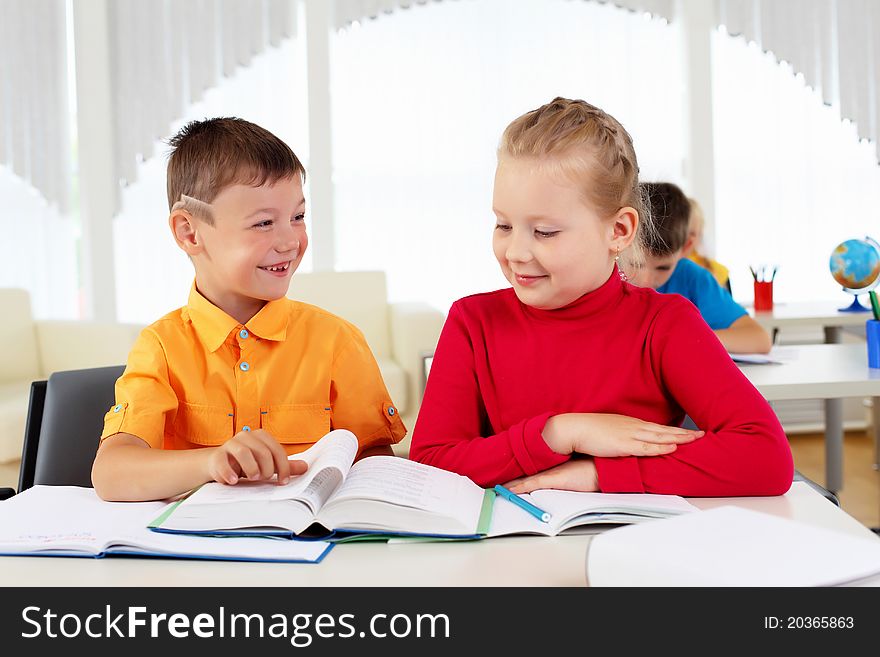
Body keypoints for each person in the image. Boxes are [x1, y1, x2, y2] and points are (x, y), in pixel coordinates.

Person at [409, 98, 792, 496]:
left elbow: (765, 457)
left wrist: (597, 475)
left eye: (544, 232)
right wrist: (561, 433)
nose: (516, 252)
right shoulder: (472, 322)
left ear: (619, 231)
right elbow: (430, 464)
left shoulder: (665, 323)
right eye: (503, 225)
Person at [92, 118, 405, 501]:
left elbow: (375, 469)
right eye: (263, 223)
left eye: (298, 216)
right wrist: (211, 463)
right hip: (196, 556)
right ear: (189, 232)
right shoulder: (161, 347)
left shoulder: (337, 342)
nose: (290, 240)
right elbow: (111, 473)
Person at [636, 181, 772, 354]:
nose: (646, 281)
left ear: (686, 248)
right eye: (636, 264)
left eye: (663, 268)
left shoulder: (692, 277)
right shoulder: (604, 276)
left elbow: (759, 339)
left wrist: (686, 338)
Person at [683, 196, 731, 292]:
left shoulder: (718, 271)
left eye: (693, 234)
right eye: (684, 233)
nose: (689, 240)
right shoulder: (666, 271)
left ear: (700, 233)